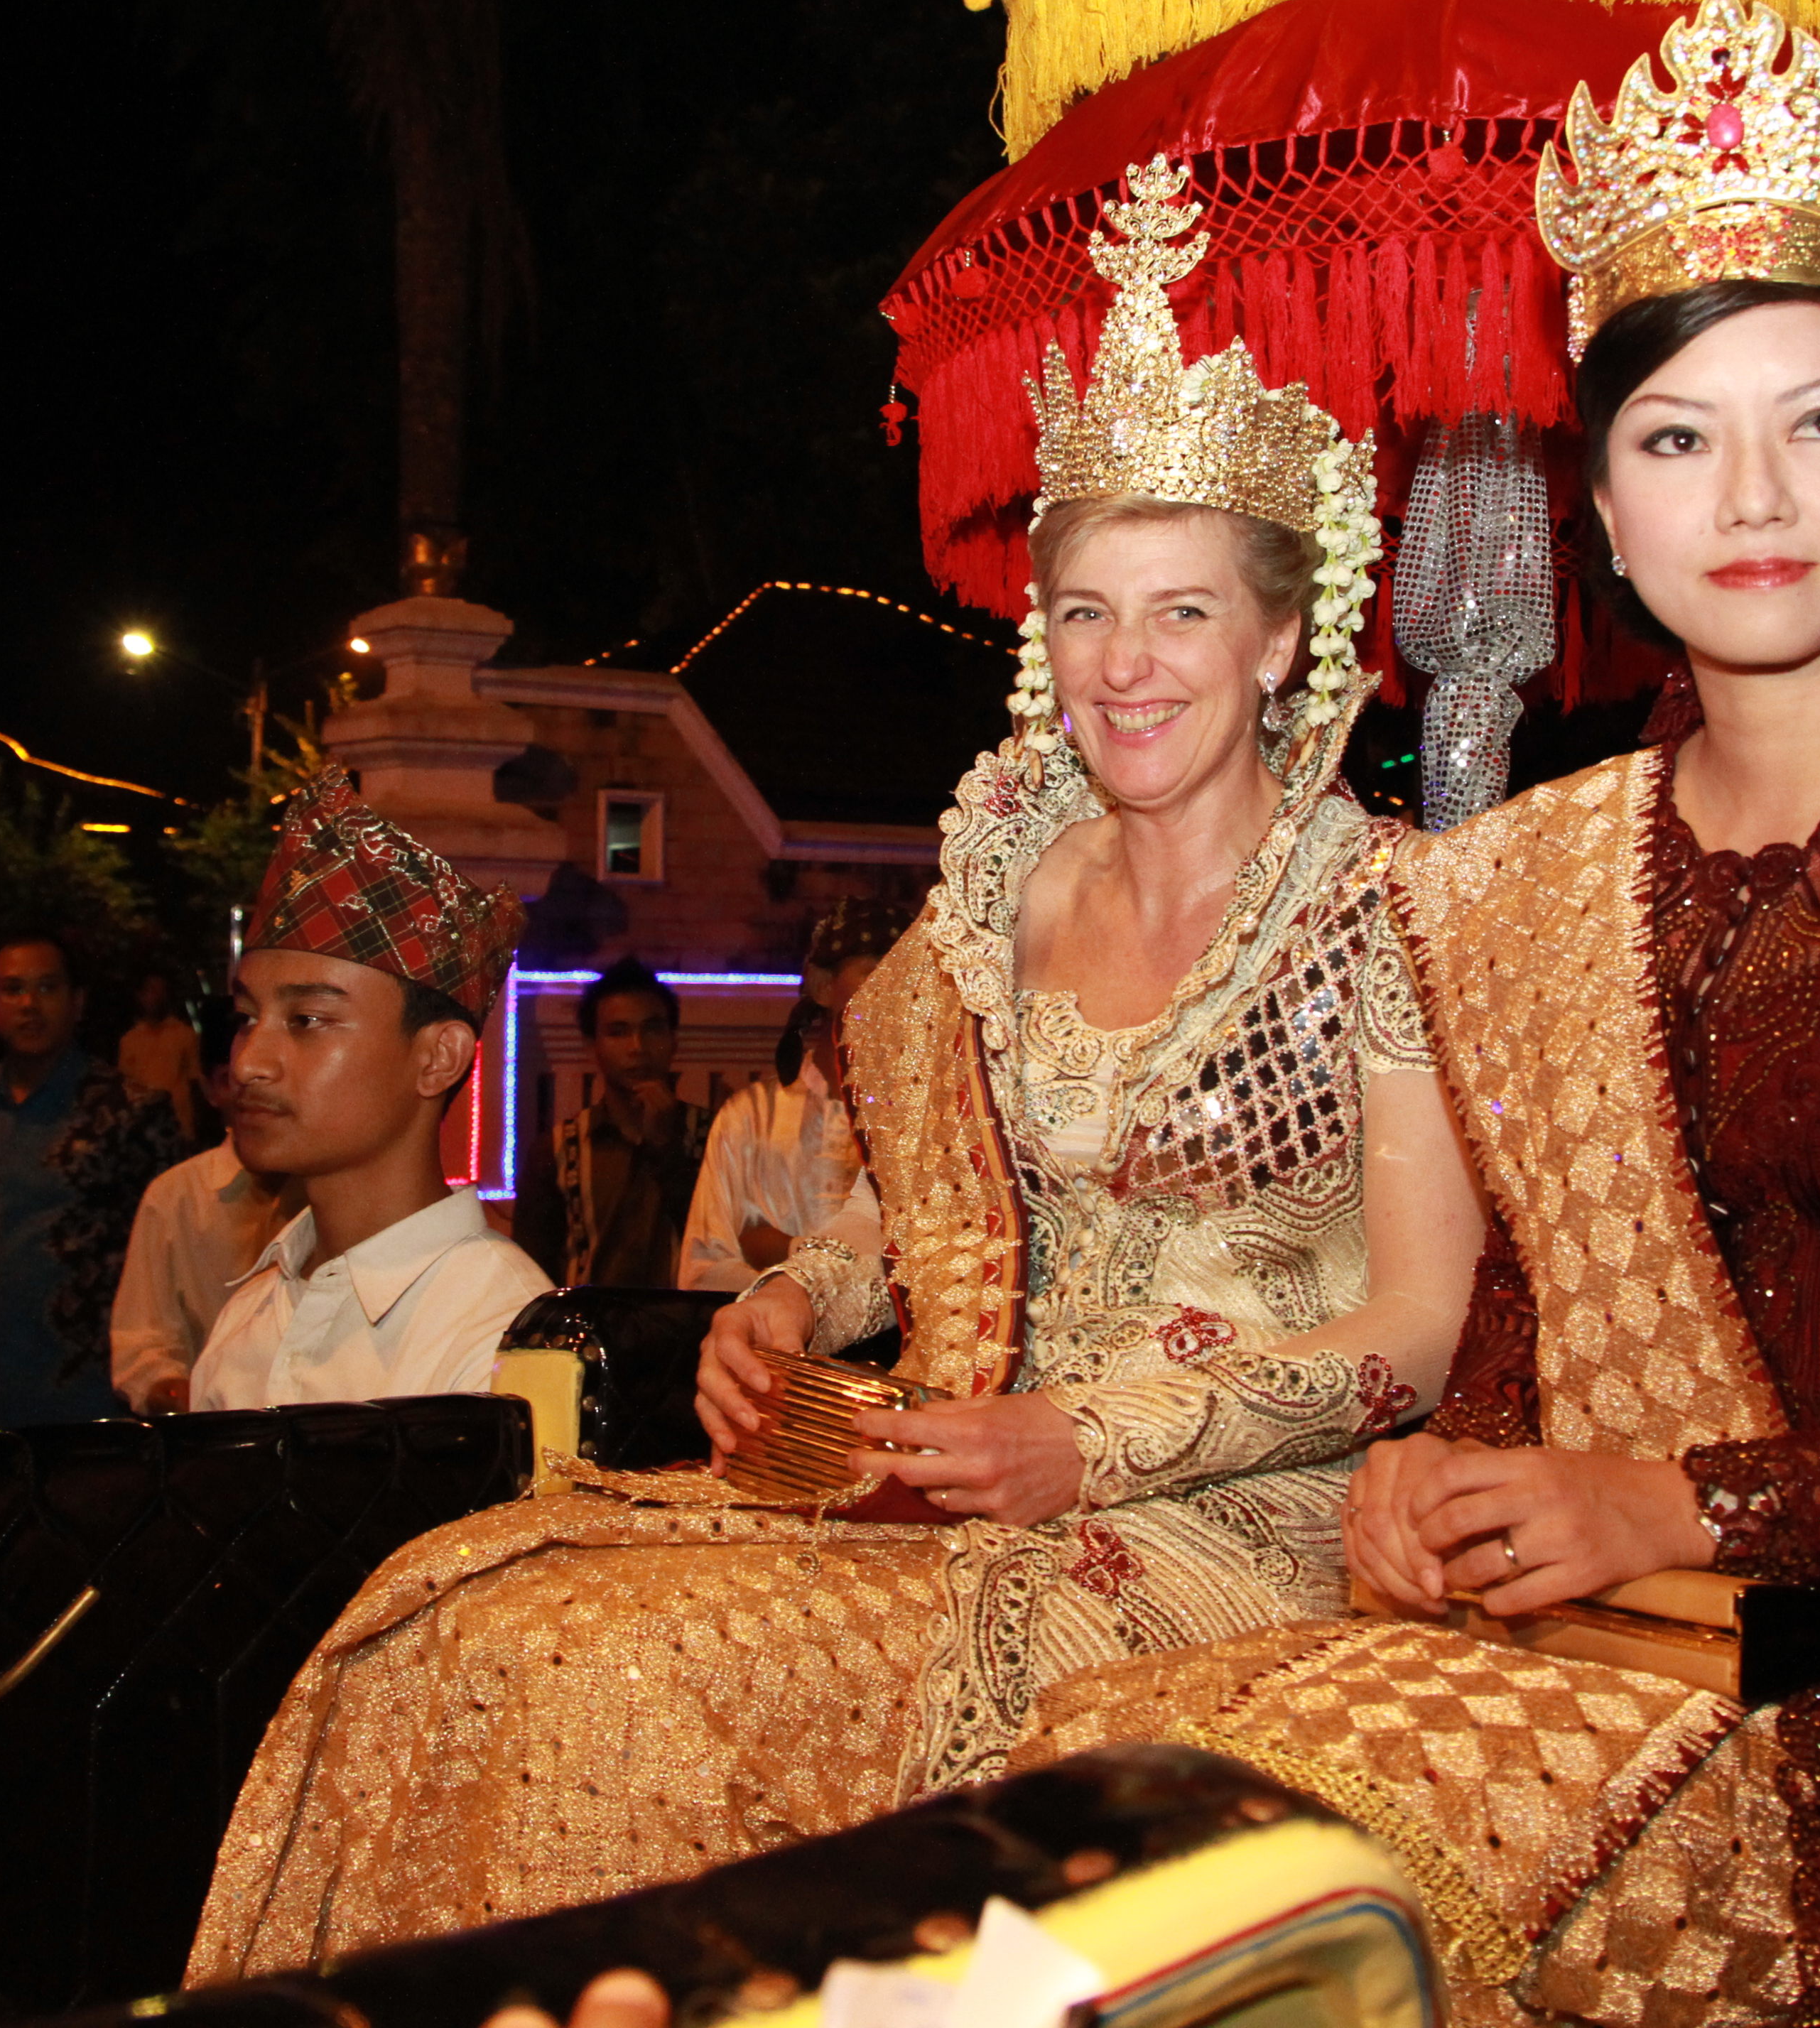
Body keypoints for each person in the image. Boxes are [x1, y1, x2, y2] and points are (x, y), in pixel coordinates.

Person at [994, 0, 1820, 2025]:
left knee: (1245, 1879)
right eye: (1680, 440)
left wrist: (1691, 1501)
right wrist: (1442, 1483)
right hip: (1590, 1635)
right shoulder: (1522, 875)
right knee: (1107, 1805)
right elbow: (1502, 1330)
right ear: (1601, 512)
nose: (1752, 494)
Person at [190, 158, 1475, 1983]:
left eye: (1182, 612)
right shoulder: (1003, 884)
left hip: (1226, 1518)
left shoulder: (1382, 911)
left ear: (1277, 639)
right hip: (949, 1465)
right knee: (451, 1613)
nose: (1124, 665)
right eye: (1086, 612)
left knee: (620, 1675)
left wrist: (1085, 1437)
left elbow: (1415, 1326)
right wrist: (797, 1294)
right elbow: (936, 1214)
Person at [182, 769, 550, 1413]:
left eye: (308, 1021)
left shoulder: (497, 1338)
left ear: (438, 1057)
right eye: (248, 1019)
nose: (249, 1065)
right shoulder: (251, 1314)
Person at [0, 934, 183, 1427]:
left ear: (78, 1003)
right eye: (13, 989)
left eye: (47, 987)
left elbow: (171, 1255)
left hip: (90, 1401)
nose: (29, 1004)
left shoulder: (132, 1115)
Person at [674, 898, 905, 1291]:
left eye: (913, 979)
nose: (900, 994)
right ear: (822, 985)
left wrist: (786, 1249)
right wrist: (791, 1293)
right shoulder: (750, 1118)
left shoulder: (934, 1121)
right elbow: (704, 1270)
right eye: (878, 973)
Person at [112, 1002, 304, 1414]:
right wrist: (198, 1402)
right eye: (236, 1078)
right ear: (214, 1088)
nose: (258, 1088)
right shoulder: (177, 1197)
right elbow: (142, 1344)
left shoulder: (330, 1191)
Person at [510, 957, 710, 1289]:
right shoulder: (559, 1148)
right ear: (593, 1046)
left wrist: (666, 1148)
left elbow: (720, 1240)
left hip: (689, 1328)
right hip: (588, 1330)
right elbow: (530, 1270)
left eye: (653, 1029)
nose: (638, 1048)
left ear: (673, 1040)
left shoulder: (715, 1134)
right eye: (619, 1033)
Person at [120, 969, 210, 1140]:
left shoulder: (184, 1035)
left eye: (161, 991)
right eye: (151, 990)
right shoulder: (130, 1040)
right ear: (140, 996)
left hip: (179, 1127)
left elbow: (195, 1081)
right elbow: (125, 1085)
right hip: (141, 1127)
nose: (156, 997)